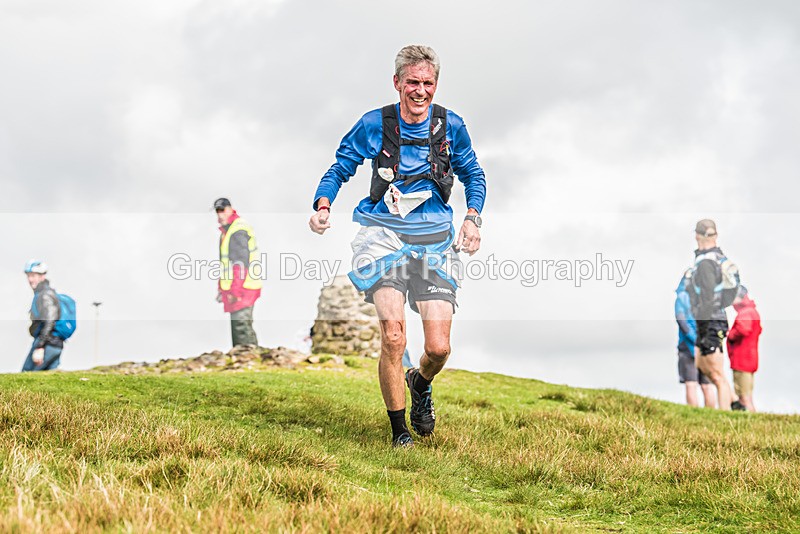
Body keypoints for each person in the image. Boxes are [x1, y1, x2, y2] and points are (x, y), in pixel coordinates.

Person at [309, 45, 486, 447]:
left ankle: (419, 382)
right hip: (383, 237)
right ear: (397, 83)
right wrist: (322, 205)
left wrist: (472, 218)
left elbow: (474, 174)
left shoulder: (451, 126)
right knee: (393, 336)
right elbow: (340, 167)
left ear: (435, 84)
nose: (420, 91)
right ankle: (399, 432)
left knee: (438, 349)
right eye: (412, 82)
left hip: (435, 242)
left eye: (428, 83)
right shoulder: (374, 124)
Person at [689, 219, 735, 410]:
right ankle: (735, 403)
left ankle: (726, 414)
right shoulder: (718, 258)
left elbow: (707, 298)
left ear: (697, 236)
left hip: (710, 321)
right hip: (715, 318)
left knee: (716, 374)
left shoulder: (706, 262)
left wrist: (703, 325)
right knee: (703, 365)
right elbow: (727, 296)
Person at [214, 198, 262, 347]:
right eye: (217, 211)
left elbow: (240, 263)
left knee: (241, 326)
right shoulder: (228, 230)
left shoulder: (237, 230)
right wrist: (222, 288)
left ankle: (248, 356)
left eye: (222, 210)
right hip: (240, 286)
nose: (220, 214)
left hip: (244, 286)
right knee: (240, 325)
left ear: (230, 209)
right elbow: (226, 264)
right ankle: (249, 355)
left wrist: (235, 291)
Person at [674, 270, 715, 407]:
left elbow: (681, 320)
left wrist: (693, 338)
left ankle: (693, 413)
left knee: (691, 383)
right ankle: (711, 415)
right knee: (707, 385)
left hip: (688, 347)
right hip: (704, 346)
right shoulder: (704, 297)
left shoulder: (681, 297)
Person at [23, 260, 64, 371]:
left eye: (33, 276)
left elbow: (50, 320)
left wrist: (40, 346)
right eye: (28, 276)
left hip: (47, 342)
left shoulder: (45, 294)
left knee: (27, 373)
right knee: (50, 375)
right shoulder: (43, 293)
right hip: (54, 343)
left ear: (42, 276)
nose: (30, 279)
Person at [727, 286, 761, 412]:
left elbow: (743, 329)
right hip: (749, 359)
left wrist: (730, 335)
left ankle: (751, 421)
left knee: (743, 397)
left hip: (742, 359)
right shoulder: (752, 311)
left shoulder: (745, 312)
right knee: (747, 395)